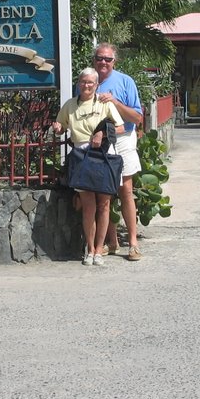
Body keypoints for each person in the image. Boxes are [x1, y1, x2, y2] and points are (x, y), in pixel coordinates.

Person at [52, 68, 124, 266]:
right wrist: (58, 128)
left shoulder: (104, 103)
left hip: (103, 155)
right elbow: (61, 126)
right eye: (83, 81)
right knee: (88, 206)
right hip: (81, 155)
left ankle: (100, 250)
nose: (86, 85)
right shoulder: (70, 105)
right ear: (79, 83)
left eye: (91, 82)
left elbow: (120, 126)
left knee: (104, 204)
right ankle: (90, 249)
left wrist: (102, 133)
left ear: (97, 85)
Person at [92, 42, 145, 261]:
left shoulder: (125, 82)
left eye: (108, 59)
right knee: (105, 193)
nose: (103, 62)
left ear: (115, 61)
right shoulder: (88, 82)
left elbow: (137, 117)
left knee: (125, 190)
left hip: (123, 140)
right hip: (100, 143)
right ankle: (111, 242)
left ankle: (132, 243)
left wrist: (114, 100)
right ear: (94, 60)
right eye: (99, 58)